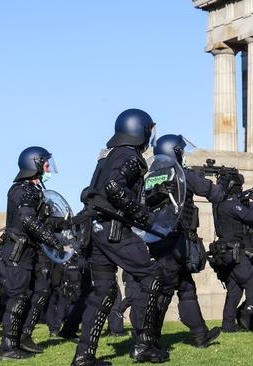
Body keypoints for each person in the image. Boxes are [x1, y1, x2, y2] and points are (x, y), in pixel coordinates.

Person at [72, 109, 168, 365]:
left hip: (97, 230)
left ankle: (84, 356)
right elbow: (114, 187)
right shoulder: (130, 156)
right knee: (152, 277)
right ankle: (144, 345)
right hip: (115, 232)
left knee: (102, 292)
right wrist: (142, 217)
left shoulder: (108, 155)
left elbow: (102, 190)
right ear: (139, 130)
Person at [147, 133, 225, 347]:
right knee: (164, 289)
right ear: (174, 151)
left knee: (186, 287)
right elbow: (212, 192)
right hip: (175, 240)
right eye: (181, 151)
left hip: (156, 238)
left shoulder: (150, 176)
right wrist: (223, 186)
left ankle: (200, 334)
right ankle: (149, 339)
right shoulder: (181, 173)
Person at [0, 146, 64, 360]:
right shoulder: (22, 189)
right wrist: (52, 240)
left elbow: (43, 219)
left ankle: (24, 337)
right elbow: (28, 220)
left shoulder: (34, 189)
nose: (48, 167)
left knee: (40, 293)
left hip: (31, 251)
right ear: (34, 163)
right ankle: (8, 347)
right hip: (18, 251)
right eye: (45, 162)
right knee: (18, 298)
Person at [209, 173, 253, 333]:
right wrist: (252, 202)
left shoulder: (219, 204)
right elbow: (252, 218)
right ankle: (249, 314)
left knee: (235, 289)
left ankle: (228, 324)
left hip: (224, 252)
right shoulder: (230, 204)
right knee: (251, 280)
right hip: (234, 251)